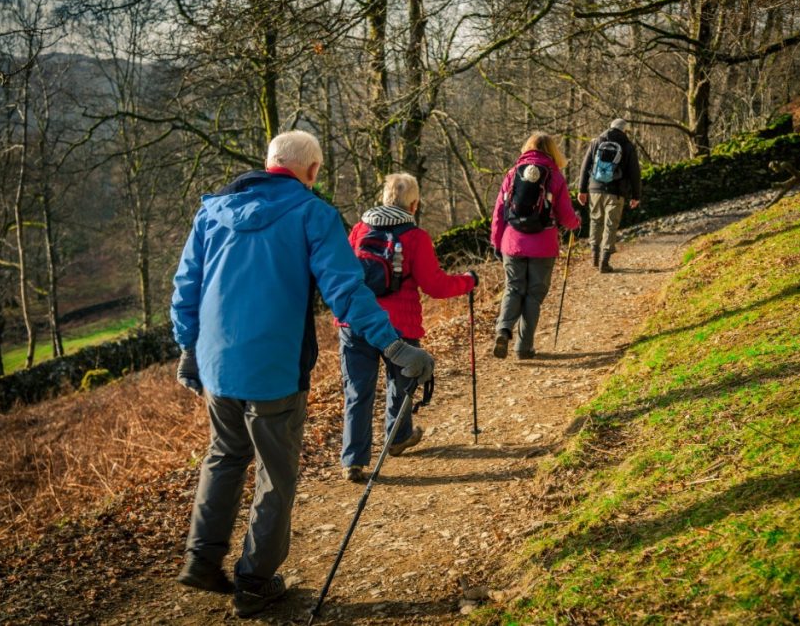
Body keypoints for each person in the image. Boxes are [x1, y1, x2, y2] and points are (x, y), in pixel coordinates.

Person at [169, 131, 434, 619]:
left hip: (216, 365)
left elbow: (186, 284)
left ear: (268, 162)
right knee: (276, 471)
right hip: (274, 368)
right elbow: (348, 293)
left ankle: (202, 558)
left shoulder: (212, 211)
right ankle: (254, 582)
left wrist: (187, 347)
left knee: (224, 456)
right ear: (312, 172)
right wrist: (394, 346)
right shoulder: (313, 214)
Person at [337, 173, 477, 482]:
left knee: (357, 391)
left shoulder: (360, 229)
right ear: (413, 204)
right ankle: (398, 438)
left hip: (355, 320)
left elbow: (344, 273)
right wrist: (468, 281)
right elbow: (435, 285)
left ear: (385, 198)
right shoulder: (415, 237)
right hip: (399, 323)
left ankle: (353, 460)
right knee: (400, 383)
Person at [490, 132, 581, 360]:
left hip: (512, 242)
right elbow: (566, 216)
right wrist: (576, 223)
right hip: (543, 244)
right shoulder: (555, 176)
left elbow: (499, 212)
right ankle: (523, 347)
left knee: (513, 287)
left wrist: (496, 242)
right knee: (533, 295)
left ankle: (503, 329)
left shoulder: (513, 173)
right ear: (552, 151)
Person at [577, 118, 642, 273]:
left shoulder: (596, 142)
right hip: (616, 192)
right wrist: (636, 195)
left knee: (595, 221)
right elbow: (634, 173)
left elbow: (585, 166)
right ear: (624, 130)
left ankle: (594, 257)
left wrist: (582, 190)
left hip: (595, 190)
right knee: (610, 226)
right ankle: (604, 262)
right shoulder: (627, 146)